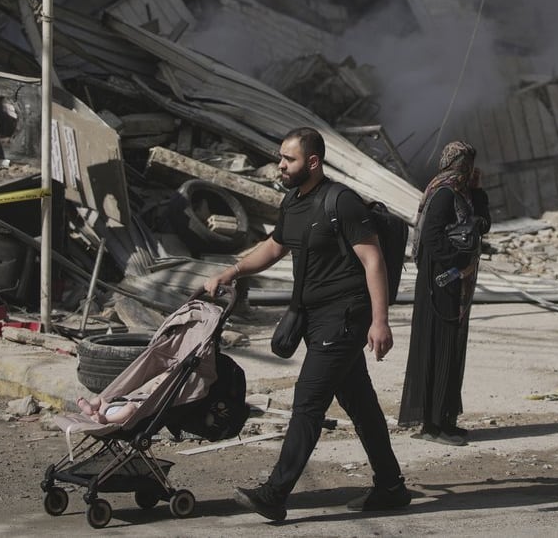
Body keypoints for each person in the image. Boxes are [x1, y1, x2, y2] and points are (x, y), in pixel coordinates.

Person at [203, 127, 411, 522]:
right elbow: (274, 246)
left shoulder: (341, 202)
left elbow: (373, 261)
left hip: (344, 317)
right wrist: (233, 271)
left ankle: (274, 493)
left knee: (308, 402)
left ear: (312, 162)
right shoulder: (293, 201)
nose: (280, 165)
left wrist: (380, 321)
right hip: (314, 319)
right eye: (281, 157)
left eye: (289, 159)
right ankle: (391, 486)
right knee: (360, 403)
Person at [398, 142, 490, 445]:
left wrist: (478, 191)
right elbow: (432, 237)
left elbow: (482, 226)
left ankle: (446, 419)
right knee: (437, 346)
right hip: (439, 282)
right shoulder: (444, 193)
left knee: (450, 347)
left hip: (454, 283)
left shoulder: (463, 194)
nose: (468, 170)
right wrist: (458, 262)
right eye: (466, 164)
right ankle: (432, 425)